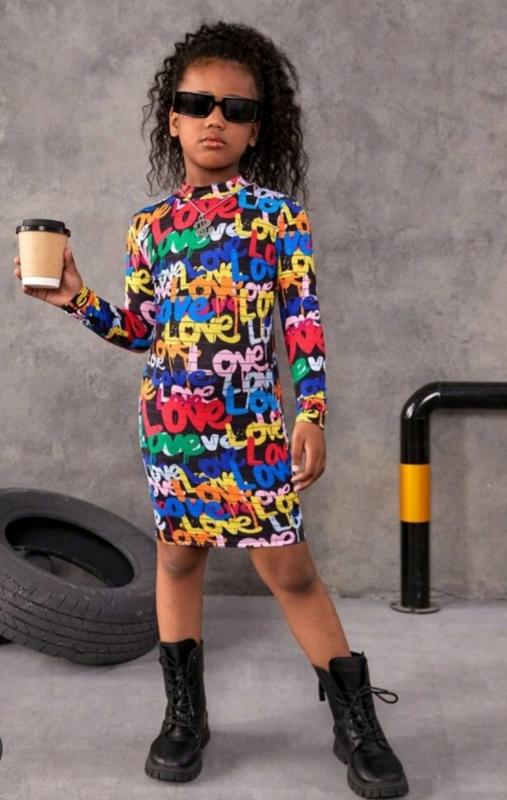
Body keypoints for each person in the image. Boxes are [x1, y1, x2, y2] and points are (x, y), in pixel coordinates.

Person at [13, 20, 409, 798]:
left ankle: (355, 721)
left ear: (257, 128)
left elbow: (301, 326)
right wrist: (78, 299)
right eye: (197, 104)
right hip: (169, 426)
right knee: (177, 558)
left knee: (288, 568)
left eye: (236, 108)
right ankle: (184, 714)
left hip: (253, 426)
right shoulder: (149, 228)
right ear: (173, 119)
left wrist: (312, 413)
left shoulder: (277, 218)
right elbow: (144, 330)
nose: (215, 120)